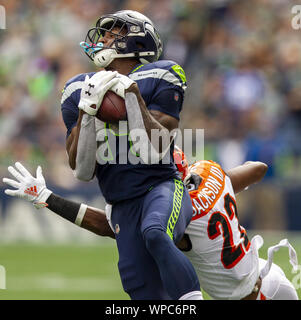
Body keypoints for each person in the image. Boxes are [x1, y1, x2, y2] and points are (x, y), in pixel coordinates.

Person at [3, 156, 299, 300]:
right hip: (270, 275)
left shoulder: (180, 212)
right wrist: (221, 188)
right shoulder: (211, 172)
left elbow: (109, 227)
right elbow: (257, 168)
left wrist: (47, 199)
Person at [60, 10, 202, 300]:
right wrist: (88, 112)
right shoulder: (78, 87)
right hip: (120, 202)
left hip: (160, 186)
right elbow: (81, 169)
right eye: (105, 32)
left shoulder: (161, 74)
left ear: (137, 42)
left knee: (155, 233)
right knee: (141, 288)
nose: (103, 38)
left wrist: (133, 97)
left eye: (114, 33)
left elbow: (158, 145)